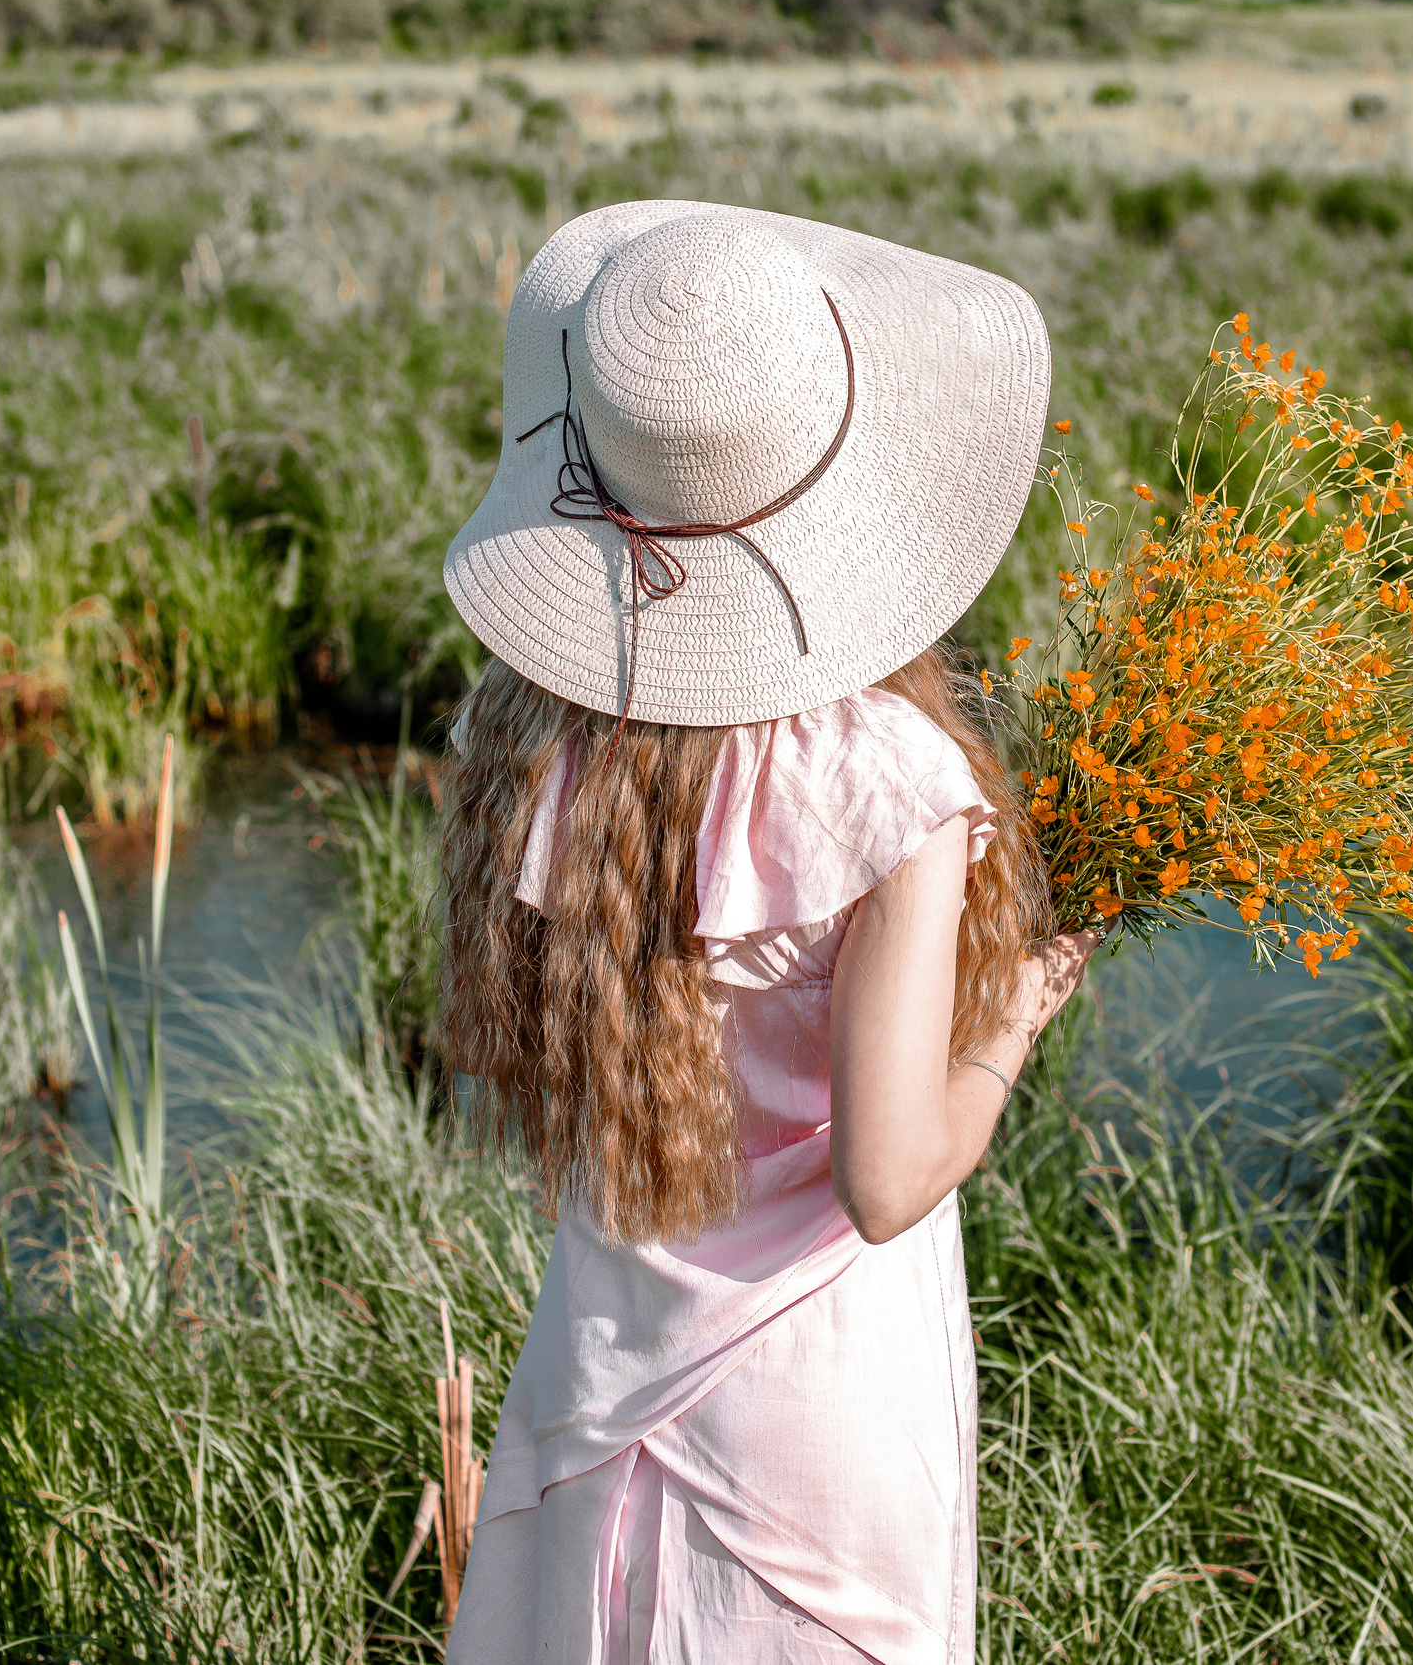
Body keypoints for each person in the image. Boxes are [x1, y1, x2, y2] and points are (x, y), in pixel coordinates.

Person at [438, 200, 1095, 1665]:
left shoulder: (539, 739)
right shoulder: (890, 784)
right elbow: (887, 1178)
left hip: (597, 1363)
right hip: (818, 1409)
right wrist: (1013, 1023)